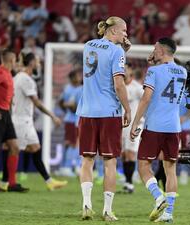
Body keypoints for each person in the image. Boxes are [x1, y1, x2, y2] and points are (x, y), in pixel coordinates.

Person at [76, 16, 131, 221]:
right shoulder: (117, 51)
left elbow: (100, 66)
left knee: (87, 160)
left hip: (87, 111)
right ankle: (107, 211)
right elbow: (118, 84)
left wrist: (123, 52)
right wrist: (127, 109)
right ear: (114, 31)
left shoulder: (88, 45)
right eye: (124, 30)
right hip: (109, 112)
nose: (126, 34)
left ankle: (86, 205)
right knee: (110, 162)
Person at [130, 37, 187, 223]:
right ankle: (168, 213)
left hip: (154, 125)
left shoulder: (153, 71)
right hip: (174, 126)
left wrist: (135, 122)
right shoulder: (183, 71)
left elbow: (146, 98)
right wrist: (155, 60)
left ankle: (158, 197)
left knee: (143, 166)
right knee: (170, 169)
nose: (153, 51)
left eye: (155, 49)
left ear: (161, 51)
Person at [0, 52, 67, 191]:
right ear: (31, 63)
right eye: (37, 62)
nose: (39, 64)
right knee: (14, 150)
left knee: (35, 149)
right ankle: (7, 182)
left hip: (24, 120)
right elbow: (37, 103)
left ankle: (49, 182)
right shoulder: (26, 80)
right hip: (21, 121)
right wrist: (53, 116)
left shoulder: (18, 77)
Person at [0, 49, 28, 192]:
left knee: (14, 147)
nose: (17, 61)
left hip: (6, 114)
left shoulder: (8, 73)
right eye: (15, 59)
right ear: (11, 60)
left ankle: (12, 184)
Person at [121, 63, 143, 193]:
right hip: (121, 125)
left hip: (134, 125)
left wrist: (141, 120)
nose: (123, 71)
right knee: (123, 154)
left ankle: (130, 183)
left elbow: (147, 102)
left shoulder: (137, 88)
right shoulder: (118, 86)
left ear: (130, 71)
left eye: (125, 69)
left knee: (130, 153)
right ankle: (127, 181)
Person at [58, 69, 83, 177]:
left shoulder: (68, 88)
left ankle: (67, 166)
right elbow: (71, 106)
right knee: (73, 144)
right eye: (77, 76)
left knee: (69, 143)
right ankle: (67, 167)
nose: (80, 77)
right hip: (74, 120)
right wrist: (69, 108)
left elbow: (61, 102)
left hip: (70, 119)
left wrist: (66, 108)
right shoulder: (76, 89)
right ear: (72, 78)